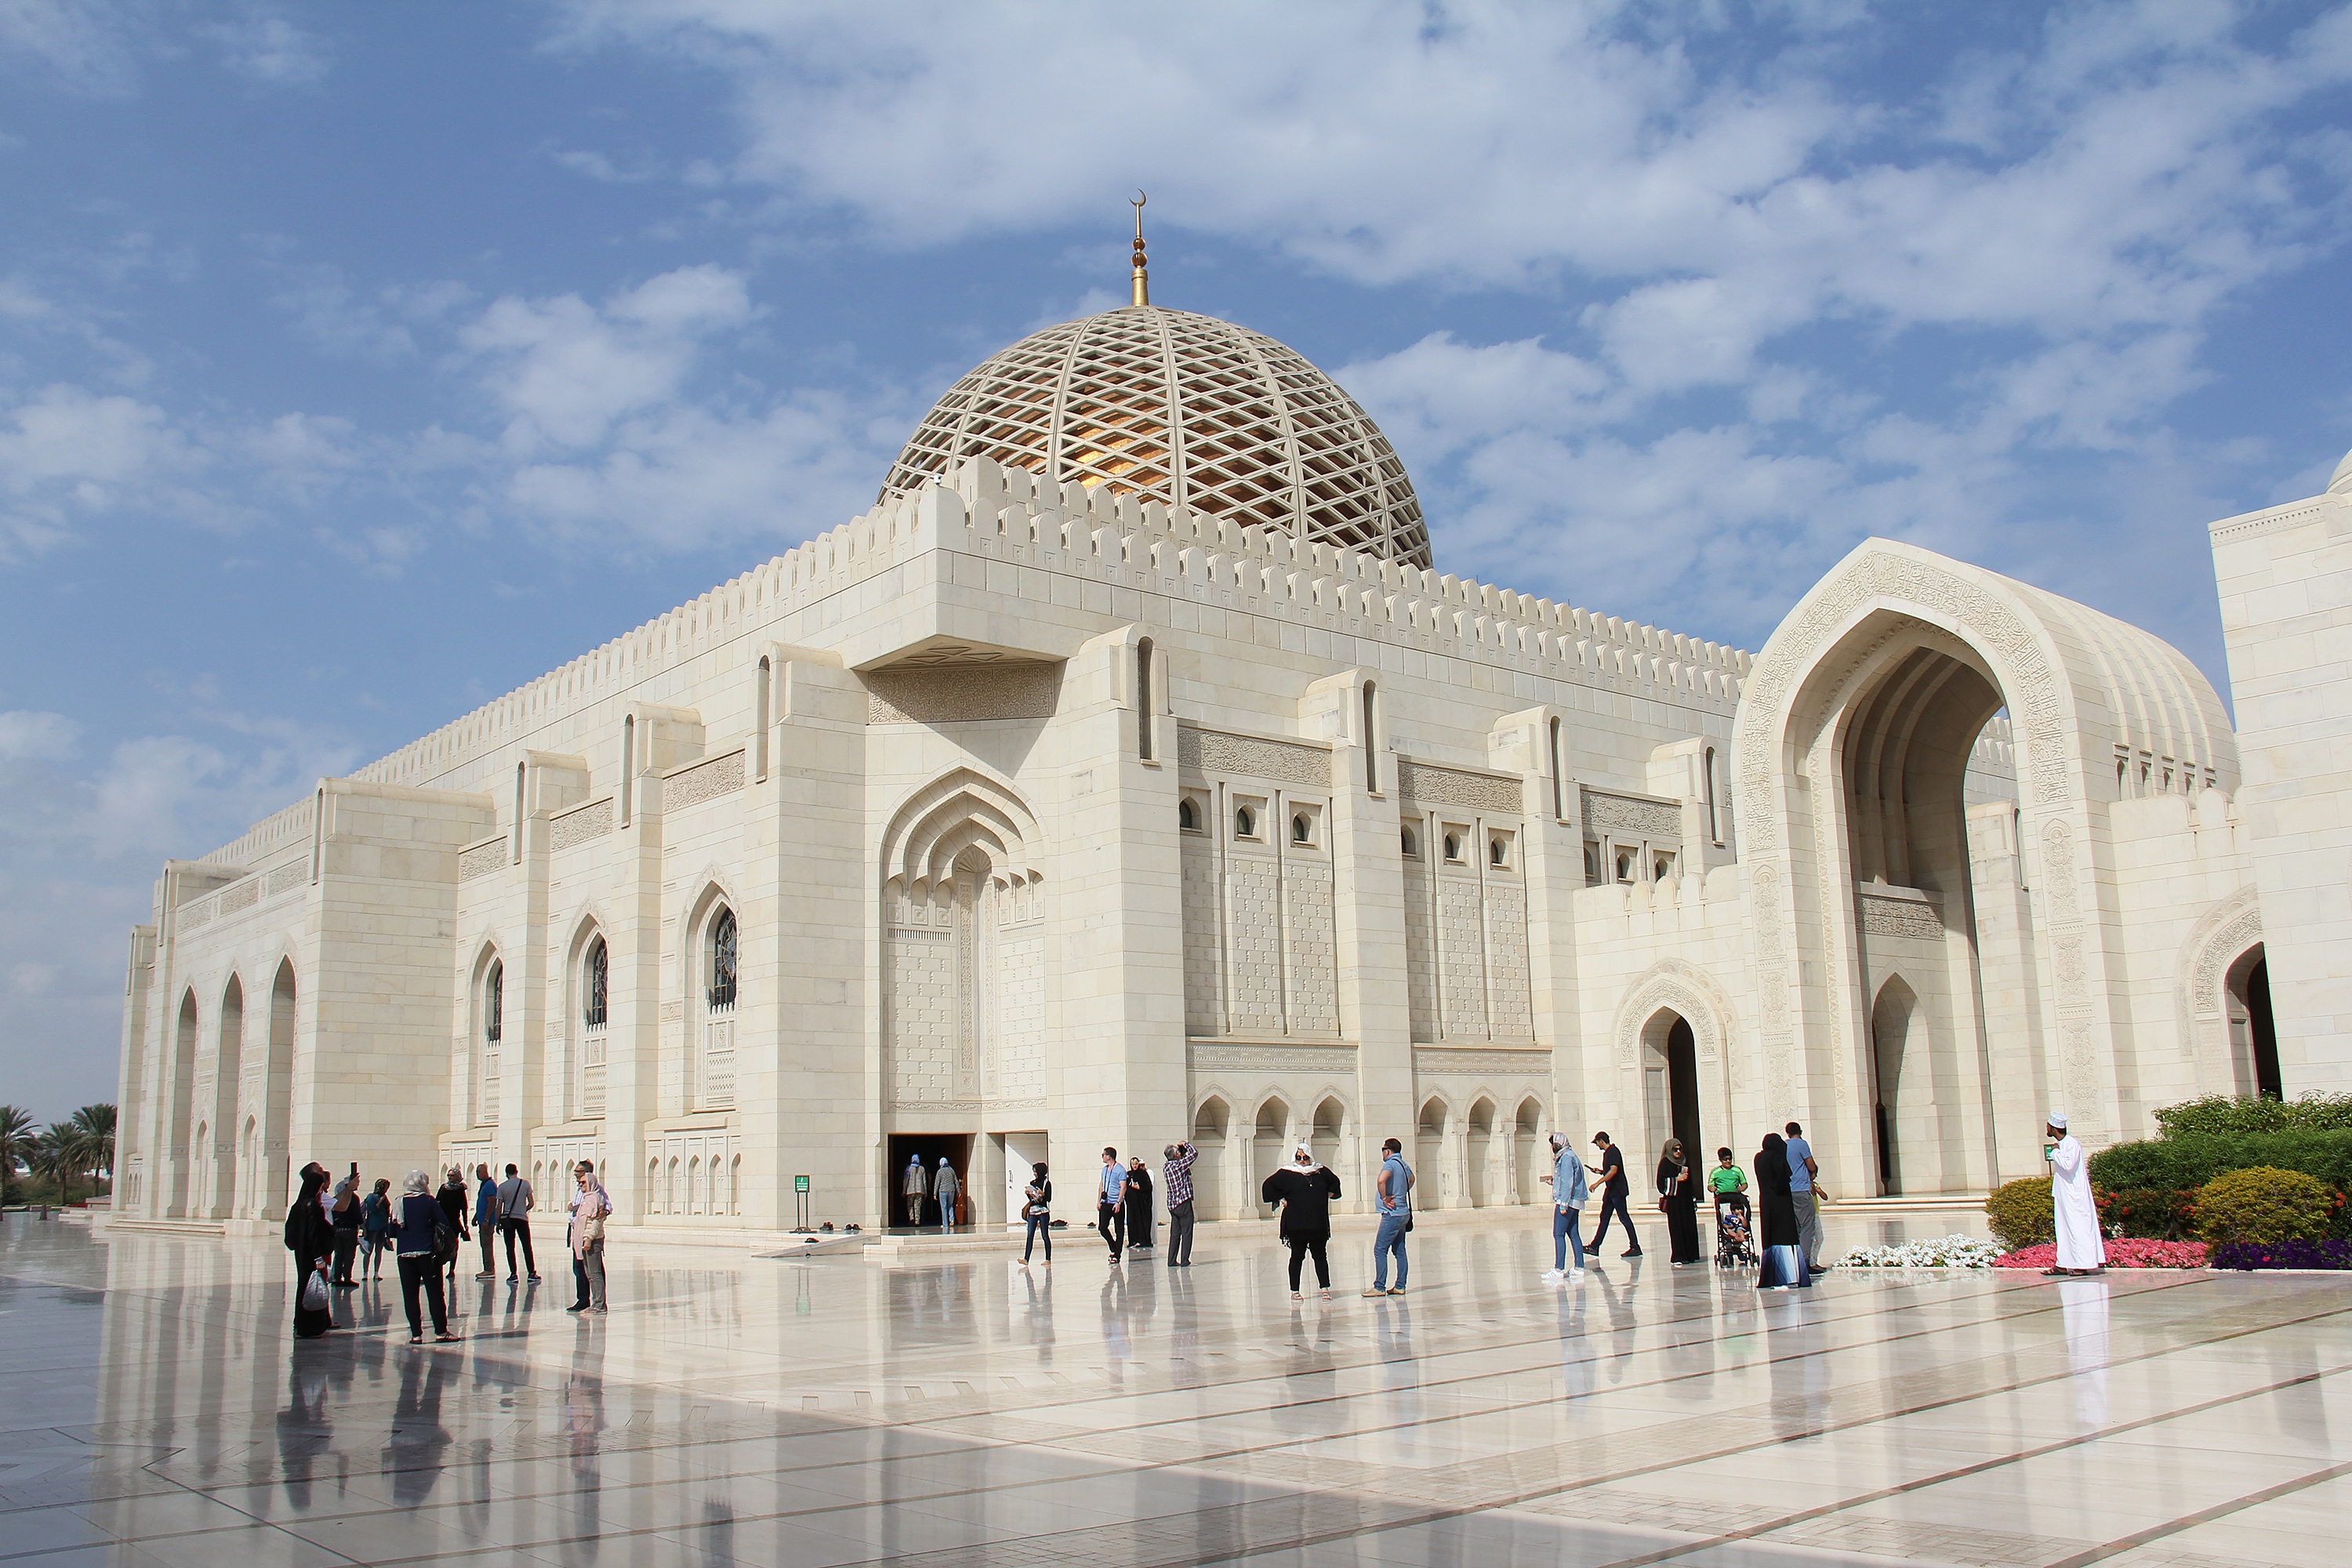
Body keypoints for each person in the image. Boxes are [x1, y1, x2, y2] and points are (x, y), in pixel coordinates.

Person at [1261, 1142, 1342, 1300]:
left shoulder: (1320, 1171)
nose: (1303, 1161)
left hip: (1317, 1223)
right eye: (1299, 1158)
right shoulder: (1287, 1173)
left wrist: (1327, 1195)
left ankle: (1325, 1288)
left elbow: (1335, 1184)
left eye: (1305, 1157)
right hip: (1297, 1224)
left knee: (1320, 1255)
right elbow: (1268, 1187)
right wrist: (1281, 1199)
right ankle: (1295, 1291)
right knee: (1297, 1256)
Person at [389, 1169, 459, 1345]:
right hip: (427, 1254)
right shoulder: (429, 1201)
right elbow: (443, 1222)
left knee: (410, 1294)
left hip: (404, 1255)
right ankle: (441, 1331)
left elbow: (392, 1230)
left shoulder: (399, 1202)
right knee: (435, 1293)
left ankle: (416, 1334)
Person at [2045, 1113, 2103, 1276]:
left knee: (2078, 1228)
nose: (2047, 1129)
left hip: (2074, 1196)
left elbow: (2068, 1165)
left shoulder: (2072, 1144)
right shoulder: (2061, 1144)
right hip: (2063, 1194)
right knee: (2063, 1230)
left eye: (2048, 1126)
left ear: (2054, 1128)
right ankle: (2063, 1264)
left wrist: (2055, 1153)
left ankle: (2082, 1265)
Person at [285, 1162, 336, 1339]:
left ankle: (300, 1322)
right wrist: (318, 1257)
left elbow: (290, 1234)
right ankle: (311, 1326)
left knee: (303, 1287)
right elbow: (314, 1233)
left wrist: (296, 1246)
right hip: (312, 1256)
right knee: (313, 1288)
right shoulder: (311, 1206)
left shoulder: (298, 1205)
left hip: (301, 1255)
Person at [1755, 1133, 1811, 1289]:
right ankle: (1789, 1276)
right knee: (1785, 1236)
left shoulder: (1759, 1158)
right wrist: (1779, 1188)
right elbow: (1783, 1177)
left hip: (1766, 1202)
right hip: (1781, 1202)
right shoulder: (1777, 1157)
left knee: (1770, 1236)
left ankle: (1771, 1277)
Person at [1366, 1137, 1413, 1297]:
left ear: (1387, 1150)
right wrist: (1401, 1194)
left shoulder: (1390, 1164)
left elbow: (1381, 1180)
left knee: (1380, 1249)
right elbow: (1412, 1179)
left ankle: (1379, 1286)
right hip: (1403, 1213)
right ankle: (1400, 1286)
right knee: (1400, 1250)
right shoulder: (1404, 1164)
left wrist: (1386, 1197)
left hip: (1392, 1214)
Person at [1539, 1131, 1588, 1283]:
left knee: (1558, 1234)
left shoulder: (1566, 1158)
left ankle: (1558, 1268)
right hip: (1575, 1200)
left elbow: (1568, 1182)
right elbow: (1567, 1179)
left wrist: (1563, 1204)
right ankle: (1579, 1266)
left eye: (1554, 1143)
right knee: (1573, 1233)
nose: (1553, 1147)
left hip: (1567, 1201)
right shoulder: (1570, 1155)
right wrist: (1554, 1182)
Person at [1585, 1132, 1640, 1258]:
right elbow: (1610, 1170)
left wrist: (1597, 1183)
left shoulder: (1613, 1151)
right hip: (1611, 1191)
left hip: (1617, 1191)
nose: (1597, 1145)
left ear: (1601, 1141)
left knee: (1624, 1218)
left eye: (1597, 1143)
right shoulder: (1608, 1153)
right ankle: (1594, 1246)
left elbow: (1614, 1170)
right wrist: (1601, 1172)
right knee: (1604, 1217)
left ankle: (1635, 1247)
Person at [568, 1160, 610, 1312]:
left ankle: (599, 1303)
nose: (580, 1182)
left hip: (590, 1239)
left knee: (594, 1272)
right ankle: (588, 1301)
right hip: (579, 1236)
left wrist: (588, 1238)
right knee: (584, 1271)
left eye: (581, 1176)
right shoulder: (586, 1196)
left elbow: (596, 1220)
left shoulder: (596, 1196)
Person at [1785, 1120, 1824, 1271]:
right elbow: (1811, 1165)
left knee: (1796, 1227)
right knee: (1808, 1226)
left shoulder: (1785, 1145)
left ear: (1787, 1133)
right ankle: (1805, 1262)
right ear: (1799, 1132)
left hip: (1789, 1191)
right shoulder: (1801, 1144)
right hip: (1802, 1190)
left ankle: (1795, 1261)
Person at [1657, 1138, 1700, 1265]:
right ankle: (1679, 1255)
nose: (1678, 1152)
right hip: (1674, 1202)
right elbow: (1661, 1184)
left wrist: (1693, 1198)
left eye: (1680, 1149)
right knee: (1677, 1228)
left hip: (1686, 1200)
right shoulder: (1665, 1163)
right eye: (1675, 1150)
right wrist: (1677, 1179)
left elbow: (1691, 1182)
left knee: (1689, 1226)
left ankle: (1691, 1254)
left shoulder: (1684, 1162)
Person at [495, 1163, 539, 1282]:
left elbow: (499, 1206)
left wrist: (498, 1221)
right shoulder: (525, 1184)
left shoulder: (502, 1187)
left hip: (508, 1220)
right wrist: (522, 1209)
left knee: (510, 1247)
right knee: (526, 1246)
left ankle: (513, 1274)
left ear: (506, 1173)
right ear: (517, 1171)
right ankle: (531, 1273)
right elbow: (531, 1203)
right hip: (522, 1219)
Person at [1161, 1142, 1197, 1268]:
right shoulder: (1178, 1166)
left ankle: (1171, 1260)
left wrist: (1181, 1153)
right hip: (1183, 1202)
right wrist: (1185, 1144)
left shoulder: (1166, 1167)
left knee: (1175, 1234)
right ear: (1176, 1155)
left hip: (1172, 1204)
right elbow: (1194, 1154)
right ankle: (1185, 1260)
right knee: (1187, 1232)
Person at [434, 1167, 471, 1289]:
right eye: (449, 1175)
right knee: (440, 1245)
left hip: (454, 1222)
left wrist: (466, 1224)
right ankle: (438, 1266)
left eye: (452, 1176)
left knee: (454, 1245)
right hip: (443, 1222)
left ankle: (452, 1269)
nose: (450, 1178)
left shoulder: (460, 1190)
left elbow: (463, 1207)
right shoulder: (444, 1188)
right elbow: (437, 1203)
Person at [328, 1174, 362, 1286]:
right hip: (350, 1229)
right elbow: (357, 1215)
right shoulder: (353, 1198)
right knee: (349, 1255)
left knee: (339, 1255)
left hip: (338, 1230)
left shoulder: (337, 1197)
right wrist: (363, 1226)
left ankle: (336, 1277)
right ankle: (347, 1278)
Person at [359, 1177, 394, 1282]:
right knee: (368, 1250)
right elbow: (373, 1209)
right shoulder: (371, 1197)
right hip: (372, 1226)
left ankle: (376, 1273)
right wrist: (380, 1201)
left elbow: (387, 1212)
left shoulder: (384, 1198)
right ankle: (365, 1273)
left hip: (382, 1226)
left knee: (379, 1250)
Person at [1097, 1147, 1127, 1261]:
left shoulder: (1120, 1170)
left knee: (1119, 1230)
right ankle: (1113, 1248)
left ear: (1108, 1156)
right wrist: (1099, 1200)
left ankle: (1117, 1255)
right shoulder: (1104, 1170)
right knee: (1102, 1227)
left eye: (1103, 1155)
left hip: (1116, 1203)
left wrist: (1118, 1202)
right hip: (1106, 1202)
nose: (1102, 1157)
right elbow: (1102, 1184)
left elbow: (1123, 1187)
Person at [1019, 1162, 1052, 1265]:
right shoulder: (1032, 1183)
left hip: (1043, 1211)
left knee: (1045, 1235)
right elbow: (1032, 1200)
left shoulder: (1047, 1183)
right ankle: (1026, 1259)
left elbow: (1048, 1199)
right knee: (1030, 1235)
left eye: (1036, 1171)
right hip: (1033, 1211)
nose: (1034, 1174)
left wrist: (1043, 1194)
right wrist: (1029, 1194)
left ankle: (1048, 1258)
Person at [473, 1163, 499, 1279]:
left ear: (485, 1172)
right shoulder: (485, 1185)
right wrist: (476, 1217)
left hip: (487, 1223)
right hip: (483, 1220)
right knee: (484, 1245)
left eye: (479, 1172)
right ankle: (487, 1268)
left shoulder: (489, 1185)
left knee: (487, 1245)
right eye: (477, 1172)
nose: (478, 1174)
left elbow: (492, 1203)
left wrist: (486, 1219)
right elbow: (482, 1203)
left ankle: (489, 1269)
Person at [1123, 1156, 1155, 1253]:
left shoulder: (1143, 1174)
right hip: (1131, 1204)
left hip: (1141, 1204)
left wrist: (1139, 1188)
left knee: (1141, 1221)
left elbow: (1148, 1187)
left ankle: (1143, 1240)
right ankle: (1133, 1240)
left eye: (1136, 1164)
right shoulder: (1129, 1175)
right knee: (1132, 1221)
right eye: (1133, 1164)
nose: (1135, 1166)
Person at [932, 1156, 960, 1230]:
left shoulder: (940, 1171)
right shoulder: (951, 1170)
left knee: (944, 1207)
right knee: (950, 1205)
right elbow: (956, 1181)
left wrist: (935, 1194)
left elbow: (937, 1183)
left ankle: (945, 1224)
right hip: (951, 1190)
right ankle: (952, 1220)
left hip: (943, 1191)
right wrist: (958, 1191)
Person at [902, 1153, 927, 1226]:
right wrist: (925, 1192)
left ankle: (911, 1218)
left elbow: (906, 1180)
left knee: (910, 1205)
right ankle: (917, 1221)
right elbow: (924, 1181)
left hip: (910, 1190)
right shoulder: (922, 1169)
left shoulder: (908, 1168)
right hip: (920, 1190)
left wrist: (904, 1191)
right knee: (917, 1206)